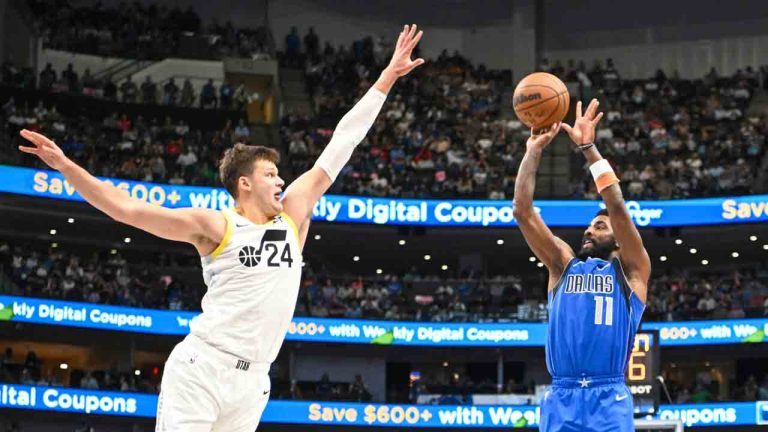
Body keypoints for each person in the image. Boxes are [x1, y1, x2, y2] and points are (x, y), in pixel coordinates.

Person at [18, 24, 424, 432]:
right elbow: (127, 209)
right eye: (271, 174)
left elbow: (342, 142)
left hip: (254, 383)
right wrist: (66, 167)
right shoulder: (217, 224)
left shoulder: (292, 216)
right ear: (244, 183)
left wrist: (387, 77)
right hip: (203, 369)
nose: (281, 181)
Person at [512, 100, 650, 432]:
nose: (589, 230)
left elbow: (615, 205)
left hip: (609, 394)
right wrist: (533, 152)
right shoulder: (562, 265)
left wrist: (589, 149)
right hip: (562, 395)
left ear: (618, 239)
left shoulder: (632, 272)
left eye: (600, 227)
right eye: (589, 226)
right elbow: (522, 211)